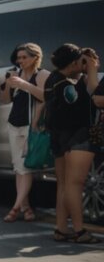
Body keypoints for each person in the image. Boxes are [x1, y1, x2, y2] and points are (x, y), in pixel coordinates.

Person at [45, 44, 101, 243]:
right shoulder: (69, 84)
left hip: (58, 137)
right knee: (74, 184)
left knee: (64, 184)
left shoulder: (53, 79)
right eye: (80, 61)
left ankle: (61, 228)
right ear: (73, 63)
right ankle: (79, 230)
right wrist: (92, 70)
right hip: (77, 136)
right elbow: (94, 96)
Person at [1, 43, 50, 222]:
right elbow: (6, 99)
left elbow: (46, 96)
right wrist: (9, 83)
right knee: (18, 168)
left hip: (31, 125)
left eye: (24, 57)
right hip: (14, 124)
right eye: (19, 58)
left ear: (35, 58)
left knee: (25, 168)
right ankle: (26, 207)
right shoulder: (16, 74)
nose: (20, 61)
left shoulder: (42, 74)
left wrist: (24, 84)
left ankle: (15, 208)